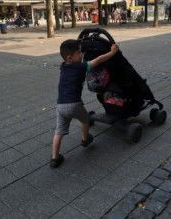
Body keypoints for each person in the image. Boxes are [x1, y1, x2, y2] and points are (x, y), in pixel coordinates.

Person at [50, 39, 119, 168]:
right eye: (79, 52)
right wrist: (113, 52)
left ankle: (55, 158)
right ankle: (85, 139)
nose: (82, 55)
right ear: (70, 57)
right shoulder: (80, 67)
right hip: (74, 104)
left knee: (59, 132)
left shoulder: (63, 66)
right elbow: (98, 60)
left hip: (60, 105)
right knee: (86, 120)